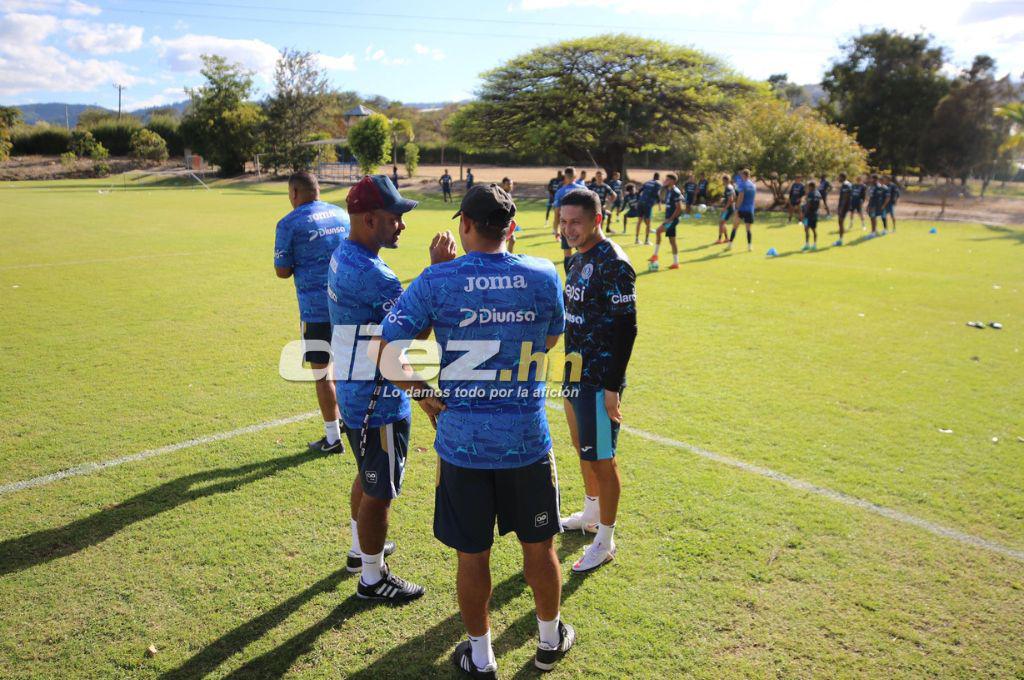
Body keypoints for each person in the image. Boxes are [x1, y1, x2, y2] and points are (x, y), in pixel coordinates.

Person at [377, 184, 574, 677]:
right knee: (540, 547)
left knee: (472, 553)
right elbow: (550, 338)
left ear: (464, 224)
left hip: (462, 444)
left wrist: (427, 399)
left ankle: (481, 655)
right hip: (527, 441)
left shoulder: (437, 279)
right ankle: (549, 641)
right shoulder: (543, 272)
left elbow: (387, 351)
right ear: (511, 228)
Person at [328, 174, 433, 602]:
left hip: (352, 392)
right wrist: (437, 276)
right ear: (370, 220)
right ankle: (372, 577)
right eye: (396, 218)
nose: (402, 225)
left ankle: (359, 551)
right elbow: (405, 341)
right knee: (379, 493)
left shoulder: (342, 253)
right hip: (378, 402)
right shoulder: (376, 276)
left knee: (367, 475)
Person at [558, 189, 638, 574]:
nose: (568, 228)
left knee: (603, 459)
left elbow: (628, 329)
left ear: (596, 221)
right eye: (564, 221)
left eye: (576, 221)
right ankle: (590, 514)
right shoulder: (576, 260)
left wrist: (611, 387)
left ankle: (605, 540)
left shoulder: (614, 264)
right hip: (574, 371)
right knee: (582, 447)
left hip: (599, 379)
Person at [274, 171, 350, 454]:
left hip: (316, 311)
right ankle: (348, 424)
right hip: (346, 304)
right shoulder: (341, 215)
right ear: (317, 190)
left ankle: (332, 439)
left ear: (294, 193)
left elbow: (282, 271)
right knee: (345, 368)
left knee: (322, 375)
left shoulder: (289, 224)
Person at [552, 166, 587, 272]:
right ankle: (584, 280)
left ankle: (569, 281)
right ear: (575, 176)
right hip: (582, 226)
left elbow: (557, 213)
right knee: (584, 252)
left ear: (565, 177)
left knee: (567, 253)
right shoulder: (583, 189)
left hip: (566, 226)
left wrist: (556, 230)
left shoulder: (560, 192)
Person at [648, 173, 683, 269]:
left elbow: (679, 208)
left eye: (667, 180)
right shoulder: (669, 190)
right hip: (670, 219)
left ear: (673, 181)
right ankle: (676, 263)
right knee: (672, 241)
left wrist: (670, 219)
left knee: (658, 231)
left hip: (673, 220)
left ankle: (655, 255)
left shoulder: (675, 191)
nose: (665, 181)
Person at [726, 169, 756, 251]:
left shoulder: (743, 185)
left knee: (735, 227)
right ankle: (749, 246)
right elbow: (753, 198)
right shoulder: (753, 185)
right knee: (748, 229)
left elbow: (740, 197)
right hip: (750, 209)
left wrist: (736, 208)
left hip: (742, 209)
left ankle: (730, 245)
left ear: (743, 175)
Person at [637, 172, 661, 246]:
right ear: (658, 178)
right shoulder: (658, 184)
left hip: (640, 203)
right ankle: (646, 241)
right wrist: (659, 204)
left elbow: (639, 191)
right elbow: (657, 194)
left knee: (639, 222)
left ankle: (636, 239)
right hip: (648, 204)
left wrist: (639, 200)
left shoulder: (647, 182)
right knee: (648, 223)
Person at [801, 180, 821, 251]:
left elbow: (808, 205)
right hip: (815, 214)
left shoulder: (810, 194)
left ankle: (807, 244)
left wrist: (804, 214)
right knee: (814, 230)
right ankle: (815, 245)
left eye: (808, 187)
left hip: (808, 215)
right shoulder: (818, 193)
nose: (808, 188)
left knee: (806, 229)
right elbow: (819, 204)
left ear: (811, 187)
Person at [501, 177, 519, 253]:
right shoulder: (500, 195)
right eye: (508, 184)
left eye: (511, 184)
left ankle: (507, 257)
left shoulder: (508, 194)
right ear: (503, 185)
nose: (510, 186)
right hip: (502, 222)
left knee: (511, 240)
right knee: (508, 240)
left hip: (508, 221)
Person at [834, 173, 852, 246]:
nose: (838, 179)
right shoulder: (848, 184)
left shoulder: (845, 185)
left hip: (844, 207)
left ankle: (840, 240)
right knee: (841, 222)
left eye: (839, 177)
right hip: (845, 206)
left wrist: (841, 208)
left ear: (842, 177)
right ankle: (840, 239)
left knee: (840, 222)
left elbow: (845, 198)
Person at [717, 174, 735, 244]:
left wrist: (725, 208)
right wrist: (724, 199)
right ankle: (726, 238)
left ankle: (720, 239)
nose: (722, 182)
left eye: (723, 180)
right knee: (722, 222)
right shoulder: (731, 186)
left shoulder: (728, 188)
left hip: (729, 208)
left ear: (725, 180)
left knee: (721, 222)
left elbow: (731, 199)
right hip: (730, 207)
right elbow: (732, 198)